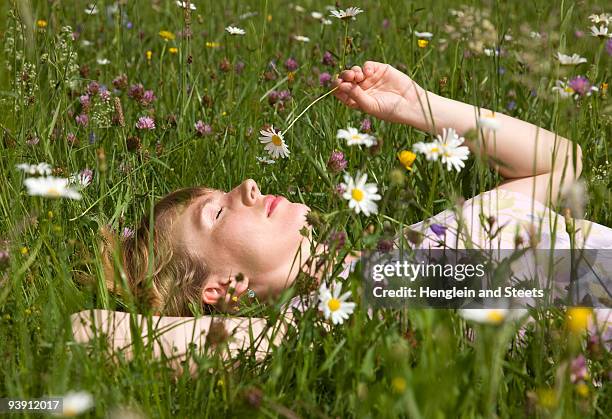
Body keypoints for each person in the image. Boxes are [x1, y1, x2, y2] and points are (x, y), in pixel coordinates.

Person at [96, 61, 611, 324]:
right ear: (223, 287)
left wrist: (420, 107)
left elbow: (564, 166)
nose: (247, 185)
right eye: (217, 212)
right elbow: (87, 331)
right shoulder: (321, 321)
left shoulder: (423, 237)